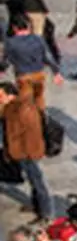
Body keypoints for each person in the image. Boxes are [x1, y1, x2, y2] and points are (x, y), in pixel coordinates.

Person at [0, 81, 52, 222]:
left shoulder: (24, 108)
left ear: (11, 95)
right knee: (33, 180)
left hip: (27, 152)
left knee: (37, 181)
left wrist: (30, 153)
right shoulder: (10, 107)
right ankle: (38, 207)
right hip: (21, 151)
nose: (0, 98)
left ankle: (46, 213)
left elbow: (32, 133)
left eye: (1, 95)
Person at [7, 14, 62, 111]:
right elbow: (47, 57)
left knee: (25, 104)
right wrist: (56, 73)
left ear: (14, 28)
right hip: (38, 75)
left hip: (23, 77)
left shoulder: (11, 42)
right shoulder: (38, 39)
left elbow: (6, 60)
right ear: (28, 26)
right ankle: (43, 119)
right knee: (39, 99)